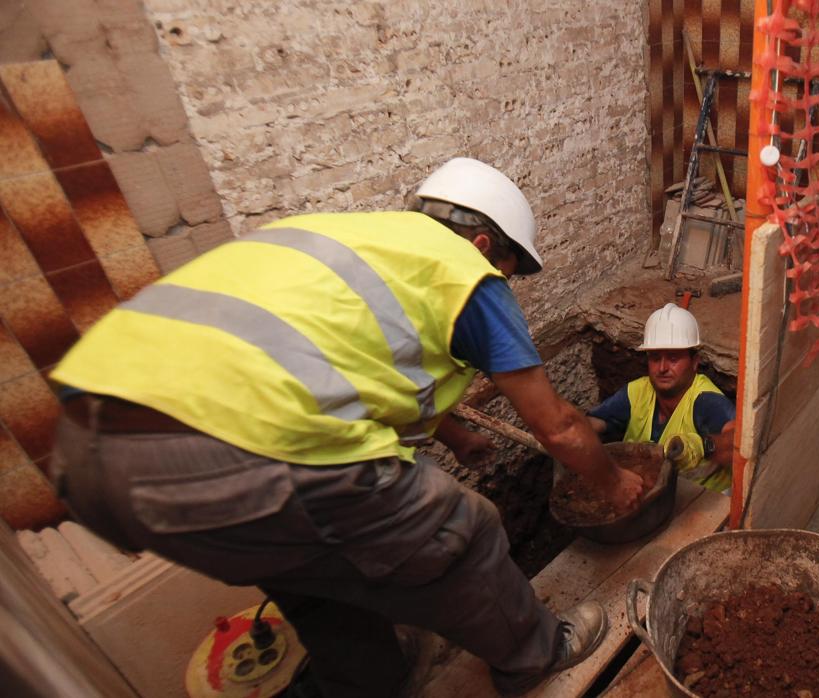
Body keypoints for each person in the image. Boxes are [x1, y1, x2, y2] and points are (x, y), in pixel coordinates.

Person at [48, 157, 645, 697]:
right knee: (466, 529)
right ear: (485, 244)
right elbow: (560, 427)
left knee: (311, 574)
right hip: (237, 446)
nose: (504, 286)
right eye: (509, 271)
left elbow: (355, 361)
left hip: (85, 443)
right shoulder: (465, 271)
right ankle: (536, 655)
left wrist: (454, 435)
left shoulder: (337, 237)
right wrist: (614, 483)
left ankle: (364, 681)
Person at [586, 304, 735, 493]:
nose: (662, 367)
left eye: (673, 358)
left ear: (695, 362)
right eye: (655, 358)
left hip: (704, 505)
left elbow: (739, 441)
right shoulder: (636, 392)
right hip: (651, 495)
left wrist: (702, 446)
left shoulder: (705, 401)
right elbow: (591, 424)